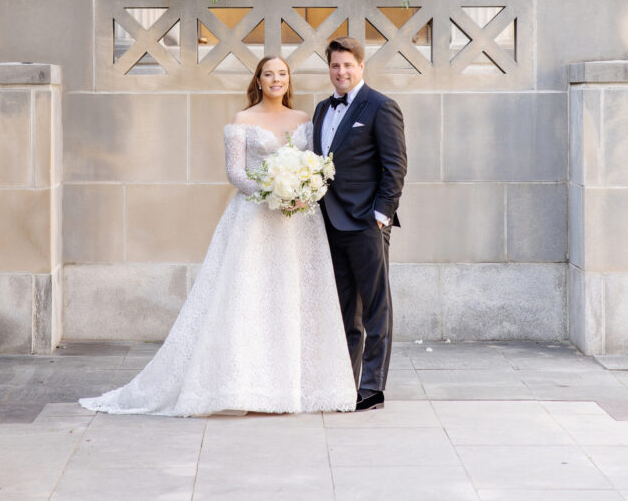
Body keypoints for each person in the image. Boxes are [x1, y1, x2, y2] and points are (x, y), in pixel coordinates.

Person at [79, 55, 357, 417]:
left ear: (289, 80)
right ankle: (244, 386)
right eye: (269, 74)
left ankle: (291, 387)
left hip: (298, 224)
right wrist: (273, 190)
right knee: (249, 297)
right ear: (258, 80)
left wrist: (300, 191)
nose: (276, 80)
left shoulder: (306, 120)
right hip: (254, 218)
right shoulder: (242, 121)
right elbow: (235, 173)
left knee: (292, 297)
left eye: (282, 74)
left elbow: (315, 166)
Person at [313, 36, 407, 412]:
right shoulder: (322, 109)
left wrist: (380, 216)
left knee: (375, 309)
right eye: (335, 66)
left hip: (367, 224)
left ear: (361, 66)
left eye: (348, 65)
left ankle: (371, 389)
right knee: (343, 309)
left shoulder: (381, 106)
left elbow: (395, 166)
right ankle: (345, 383)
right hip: (329, 223)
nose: (341, 72)